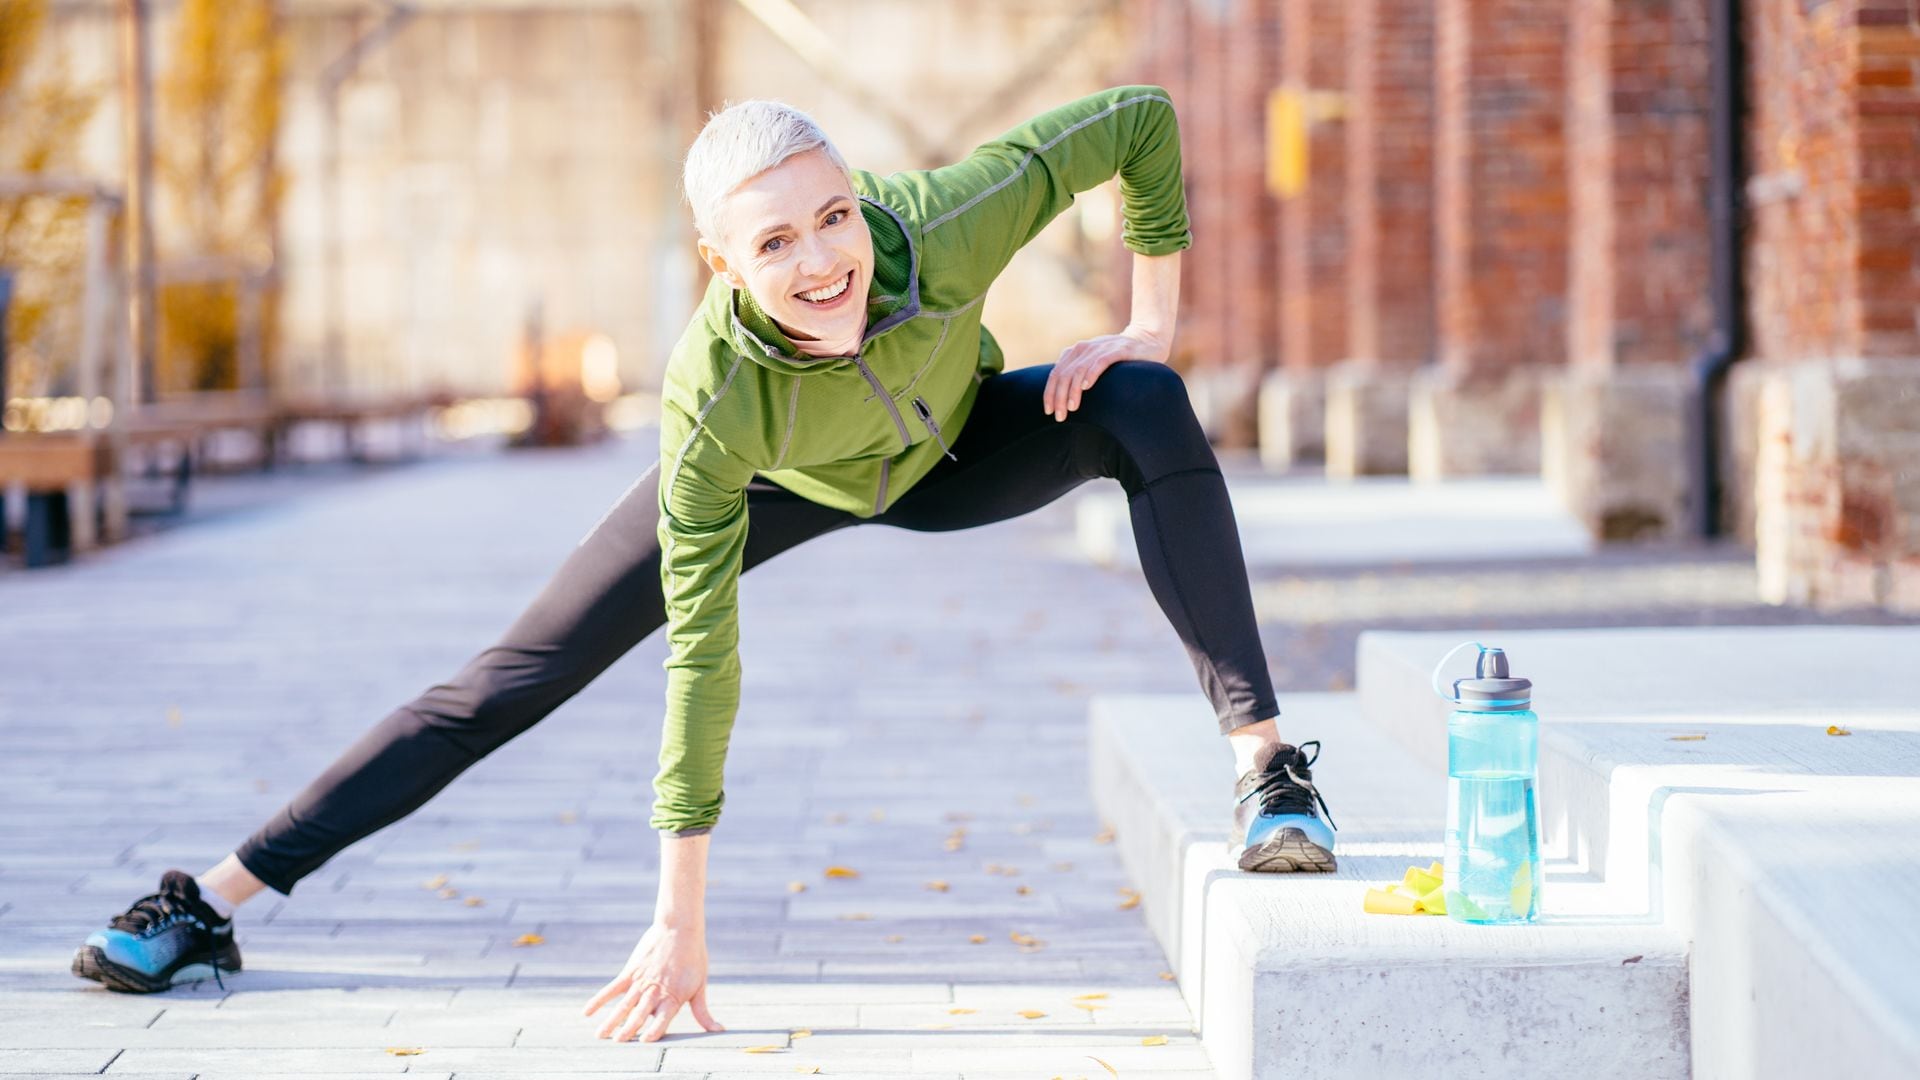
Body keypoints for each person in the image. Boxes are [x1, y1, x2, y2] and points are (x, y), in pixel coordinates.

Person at [70, 84, 1339, 1039]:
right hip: (780, 478)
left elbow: (1139, 120)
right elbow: (701, 660)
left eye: (833, 217)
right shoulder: (711, 402)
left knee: (1144, 405)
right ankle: (210, 900)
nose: (824, 260)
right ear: (721, 263)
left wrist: (1149, 324)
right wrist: (681, 914)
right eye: (774, 244)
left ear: (862, 200)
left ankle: (1268, 771)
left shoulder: (945, 222)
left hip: (960, 451)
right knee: (515, 673)